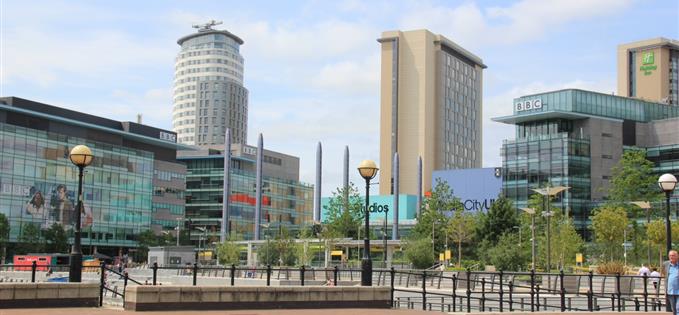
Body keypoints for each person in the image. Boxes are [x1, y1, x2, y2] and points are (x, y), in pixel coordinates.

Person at [663, 250, 679, 314]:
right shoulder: (666, 264)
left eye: (673, 255)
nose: (671, 257)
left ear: (677, 256)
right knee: (674, 309)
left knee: (678, 308)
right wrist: (665, 289)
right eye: (670, 255)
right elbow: (665, 277)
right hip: (670, 291)